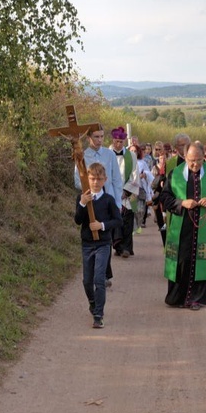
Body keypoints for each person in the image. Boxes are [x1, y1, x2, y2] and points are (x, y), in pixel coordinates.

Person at [159, 143, 206, 310]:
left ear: (204, 158)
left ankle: (197, 299)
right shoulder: (175, 174)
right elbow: (165, 198)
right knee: (181, 261)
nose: (194, 164)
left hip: (204, 226)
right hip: (182, 227)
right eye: (191, 161)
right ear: (185, 157)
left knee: (200, 261)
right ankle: (177, 298)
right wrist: (182, 203)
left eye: (198, 160)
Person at [74, 163, 122, 329]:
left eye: (99, 179)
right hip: (87, 244)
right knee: (87, 281)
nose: (95, 182)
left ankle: (98, 315)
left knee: (99, 279)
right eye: (92, 179)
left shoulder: (108, 200)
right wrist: (81, 204)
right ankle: (93, 302)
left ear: (105, 180)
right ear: (87, 179)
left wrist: (101, 225)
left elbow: (118, 220)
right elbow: (78, 220)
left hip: (103, 244)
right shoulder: (83, 198)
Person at [74, 125, 124, 286]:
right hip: (90, 201)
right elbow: (77, 179)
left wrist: (117, 202)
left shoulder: (109, 155)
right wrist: (87, 192)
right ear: (89, 138)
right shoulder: (83, 155)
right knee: (91, 233)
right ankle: (95, 270)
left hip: (106, 200)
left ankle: (102, 273)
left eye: (102, 136)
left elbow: (116, 179)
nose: (100, 140)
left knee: (105, 235)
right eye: (96, 136)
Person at [109, 126, 139, 258]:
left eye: (121, 142)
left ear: (124, 141)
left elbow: (135, 175)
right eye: (116, 141)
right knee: (114, 220)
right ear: (112, 140)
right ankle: (118, 247)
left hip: (126, 194)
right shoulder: (106, 153)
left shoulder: (131, 156)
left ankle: (127, 248)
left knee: (127, 221)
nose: (118, 144)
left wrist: (125, 192)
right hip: (110, 192)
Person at [129, 143, 152, 231]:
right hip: (129, 190)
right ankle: (132, 228)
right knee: (131, 210)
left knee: (140, 210)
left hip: (140, 189)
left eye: (135, 151)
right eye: (131, 151)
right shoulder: (125, 162)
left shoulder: (142, 163)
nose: (133, 152)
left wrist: (144, 175)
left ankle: (138, 225)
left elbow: (148, 173)